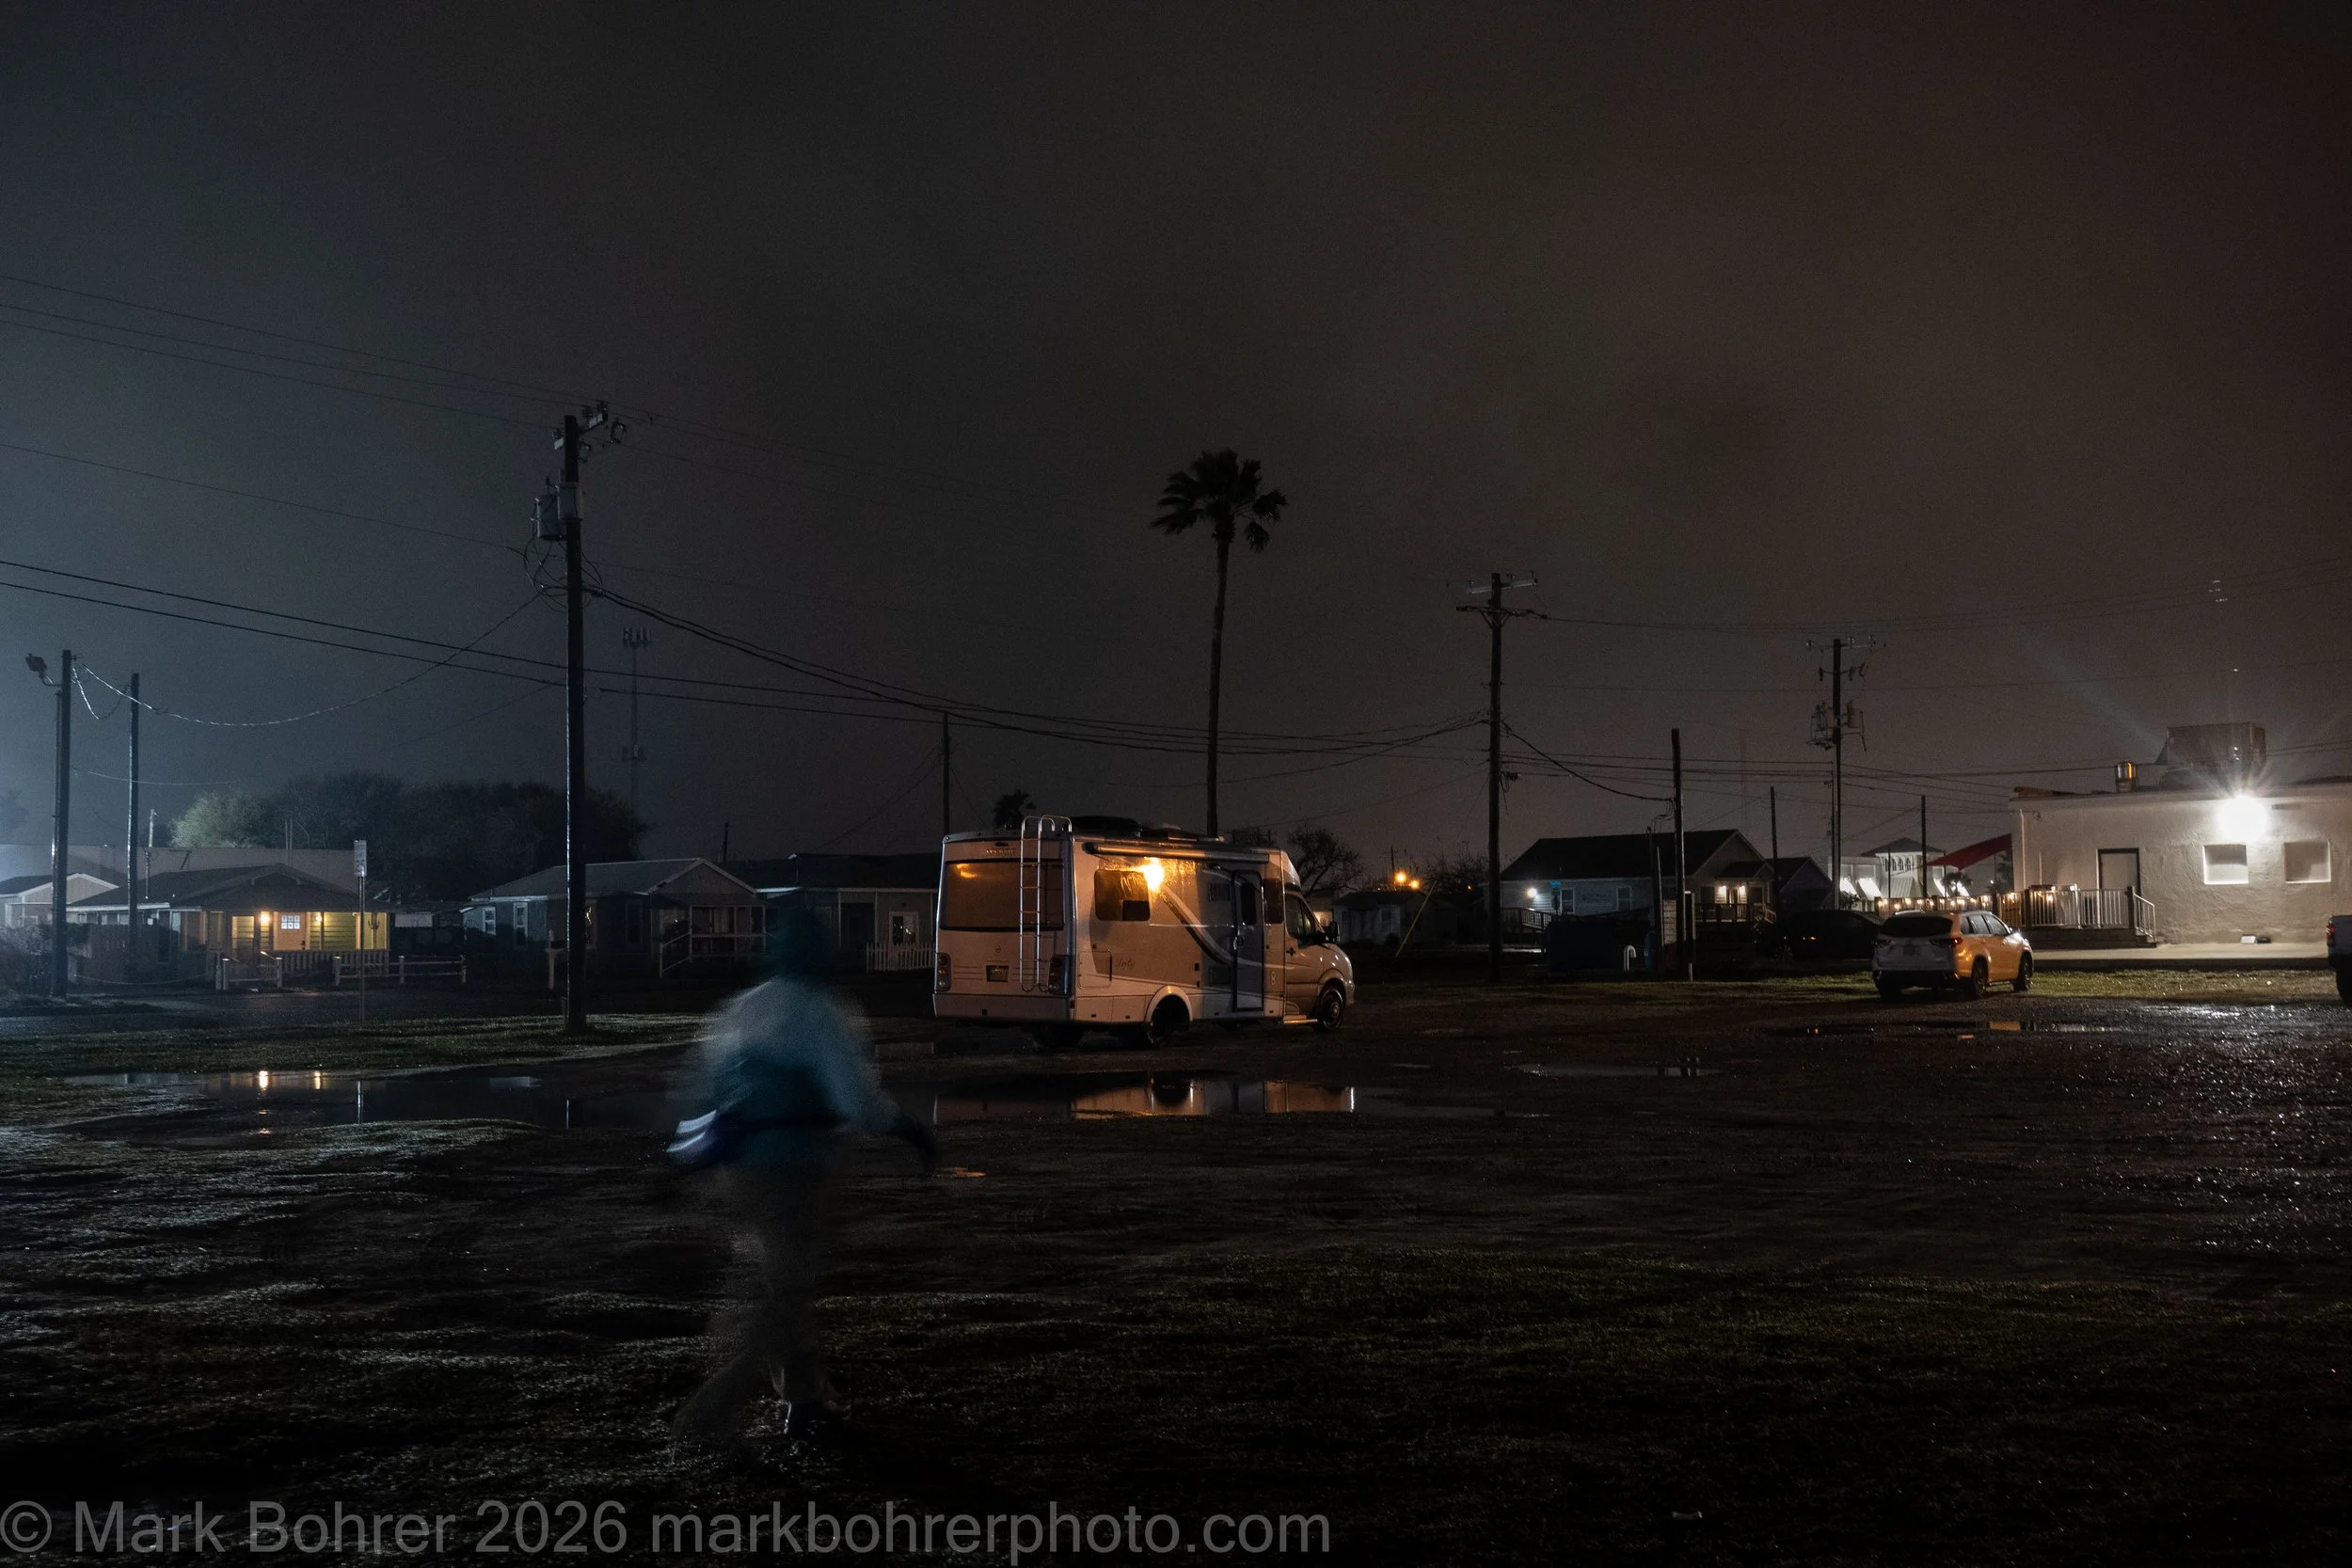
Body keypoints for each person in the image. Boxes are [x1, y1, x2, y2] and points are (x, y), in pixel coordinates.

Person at [670, 913, 935, 1445]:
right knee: (787, 1292)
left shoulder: (743, 1006)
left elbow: (700, 1087)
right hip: (795, 1168)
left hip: (739, 1167)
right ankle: (712, 1410)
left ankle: (805, 1398)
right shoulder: (821, 1012)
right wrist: (907, 1130)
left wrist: (690, 1152)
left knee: (779, 1278)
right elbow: (854, 1100)